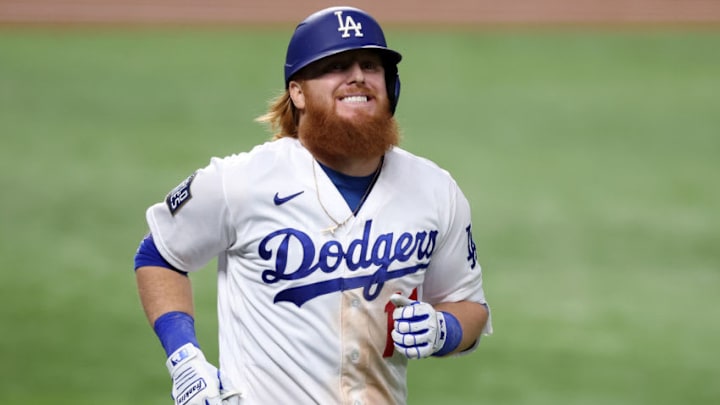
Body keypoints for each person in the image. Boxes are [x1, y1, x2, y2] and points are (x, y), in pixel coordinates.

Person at [133, 6, 492, 405]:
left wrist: (445, 330)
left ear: (391, 85)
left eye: (370, 65)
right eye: (336, 66)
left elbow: (469, 306)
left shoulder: (434, 189)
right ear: (297, 92)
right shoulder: (242, 181)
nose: (357, 76)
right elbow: (160, 254)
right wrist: (184, 358)